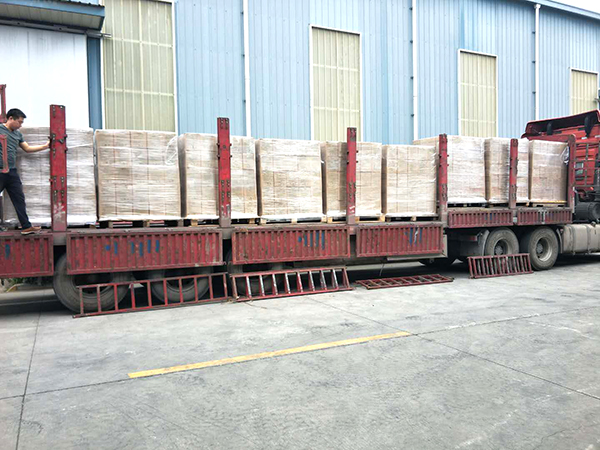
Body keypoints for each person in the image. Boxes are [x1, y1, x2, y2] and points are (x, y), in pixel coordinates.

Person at [0, 108, 50, 234]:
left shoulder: (18, 134)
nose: (21, 125)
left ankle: (26, 226)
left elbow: (27, 148)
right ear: (10, 118)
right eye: (19, 122)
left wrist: (45, 146)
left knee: (19, 199)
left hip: (11, 172)